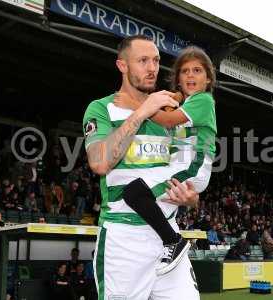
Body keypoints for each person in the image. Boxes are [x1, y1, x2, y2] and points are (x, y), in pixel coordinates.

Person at [83, 35, 200, 300]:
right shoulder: (101, 109)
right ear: (122, 65)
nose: (152, 68)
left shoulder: (172, 116)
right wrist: (142, 111)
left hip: (168, 236)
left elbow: (183, 173)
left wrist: (191, 198)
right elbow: (100, 162)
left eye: (156, 61)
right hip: (124, 240)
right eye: (143, 61)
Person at [114, 45, 217, 274]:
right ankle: (165, 247)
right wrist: (175, 96)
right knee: (141, 200)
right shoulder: (186, 101)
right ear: (178, 79)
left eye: (198, 71)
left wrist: (140, 103)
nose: (191, 75)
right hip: (179, 166)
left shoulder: (203, 100)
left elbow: (168, 121)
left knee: (133, 193)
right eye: (185, 71)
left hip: (193, 166)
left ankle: (174, 242)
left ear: (208, 80)